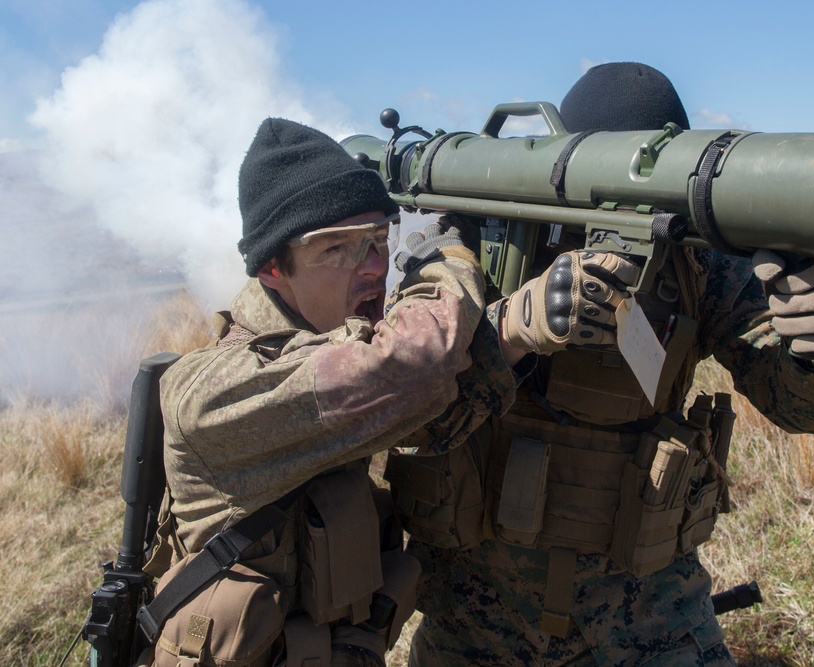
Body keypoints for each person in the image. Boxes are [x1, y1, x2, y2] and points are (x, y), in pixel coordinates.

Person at [394, 62, 814, 666]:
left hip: (644, 612)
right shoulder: (469, 236)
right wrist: (511, 326)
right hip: (472, 610)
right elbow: (400, 412)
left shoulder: (697, 261)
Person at [149, 117, 638, 666]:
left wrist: (514, 330)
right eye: (337, 250)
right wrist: (447, 261)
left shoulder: (326, 345)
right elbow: (410, 368)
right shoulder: (217, 393)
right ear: (271, 268)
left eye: (380, 240)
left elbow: (420, 415)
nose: (375, 269)